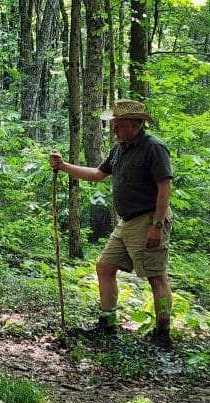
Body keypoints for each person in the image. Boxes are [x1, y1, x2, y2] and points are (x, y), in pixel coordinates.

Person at [49, 99, 174, 349]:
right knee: (105, 266)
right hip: (126, 222)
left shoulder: (154, 148)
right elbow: (97, 175)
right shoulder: (118, 149)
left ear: (135, 124)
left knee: (156, 277)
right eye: (114, 123)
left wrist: (157, 227)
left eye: (118, 124)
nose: (114, 128)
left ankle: (163, 333)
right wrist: (64, 167)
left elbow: (165, 189)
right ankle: (107, 325)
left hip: (148, 219)